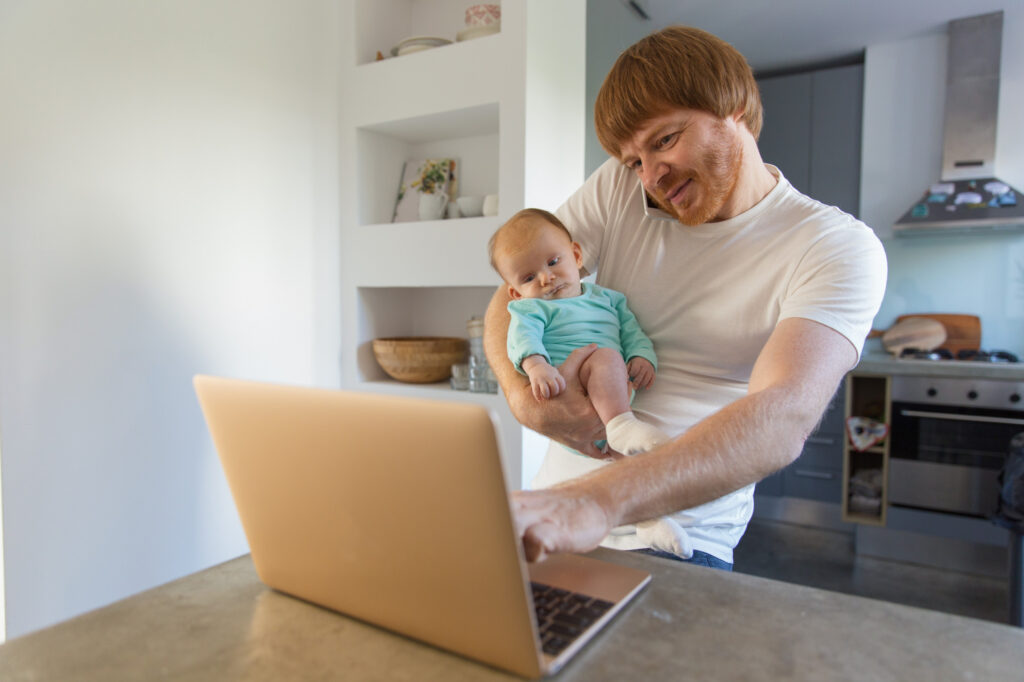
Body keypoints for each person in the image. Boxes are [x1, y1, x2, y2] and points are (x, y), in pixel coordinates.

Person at [483, 25, 887, 570]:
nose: (649, 176)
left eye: (665, 140)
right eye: (633, 160)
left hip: (678, 537)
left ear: (736, 109)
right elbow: (511, 297)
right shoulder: (621, 187)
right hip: (555, 516)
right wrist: (521, 399)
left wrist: (599, 501)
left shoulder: (835, 245)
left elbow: (784, 414)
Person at [489, 208, 692, 555]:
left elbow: (633, 333)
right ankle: (622, 424)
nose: (546, 278)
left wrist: (642, 357)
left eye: (553, 262)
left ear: (577, 255)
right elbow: (522, 341)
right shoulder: (530, 310)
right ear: (514, 292)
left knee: (629, 466)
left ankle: (650, 520)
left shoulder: (609, 300)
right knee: (605, 357)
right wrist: (537, 366)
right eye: (528, 277)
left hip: (609, 390)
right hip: (568, 391)